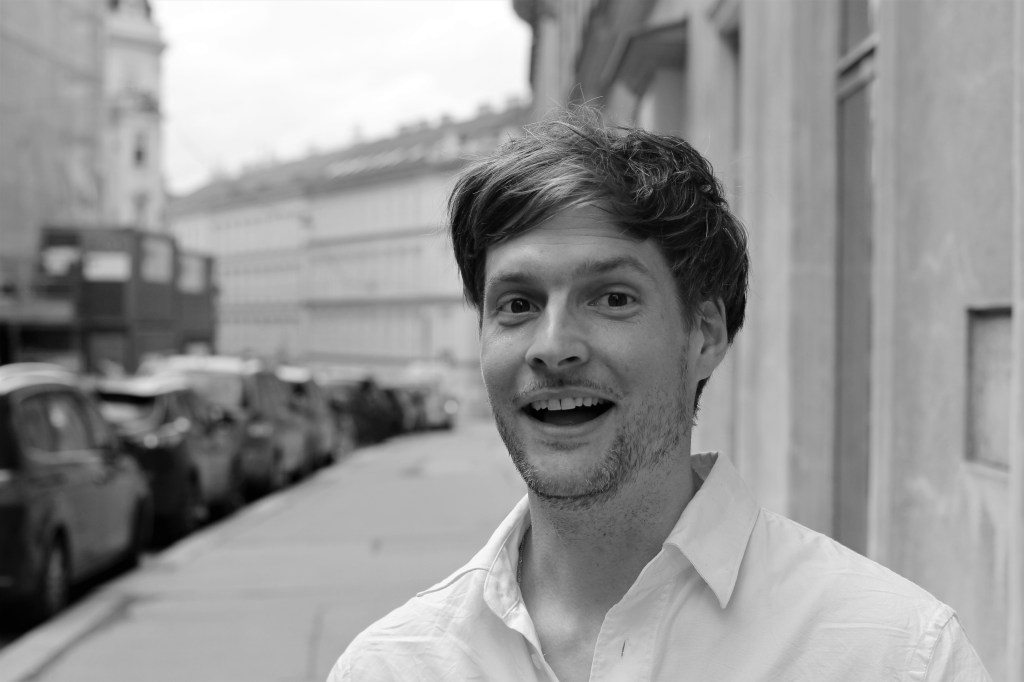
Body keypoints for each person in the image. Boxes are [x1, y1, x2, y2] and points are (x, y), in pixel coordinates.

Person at [328, 108, 991, 681]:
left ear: (705, 334)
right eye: (518, 304)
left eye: (612, 298)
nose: (552, 346)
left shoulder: (895, 655)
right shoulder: (393, 666)